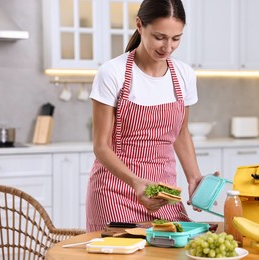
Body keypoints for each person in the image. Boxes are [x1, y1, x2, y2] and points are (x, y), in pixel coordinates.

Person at [86, 0, 203, 232]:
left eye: (176, 38)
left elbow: (180, 132)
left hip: (164, 193)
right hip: (115, 190)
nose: (167, 47)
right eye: (159, 37)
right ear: (139, 25)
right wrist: (136, 183)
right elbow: (101, 146)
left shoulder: (184, 75)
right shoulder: (112, 73)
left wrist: (194, 178)